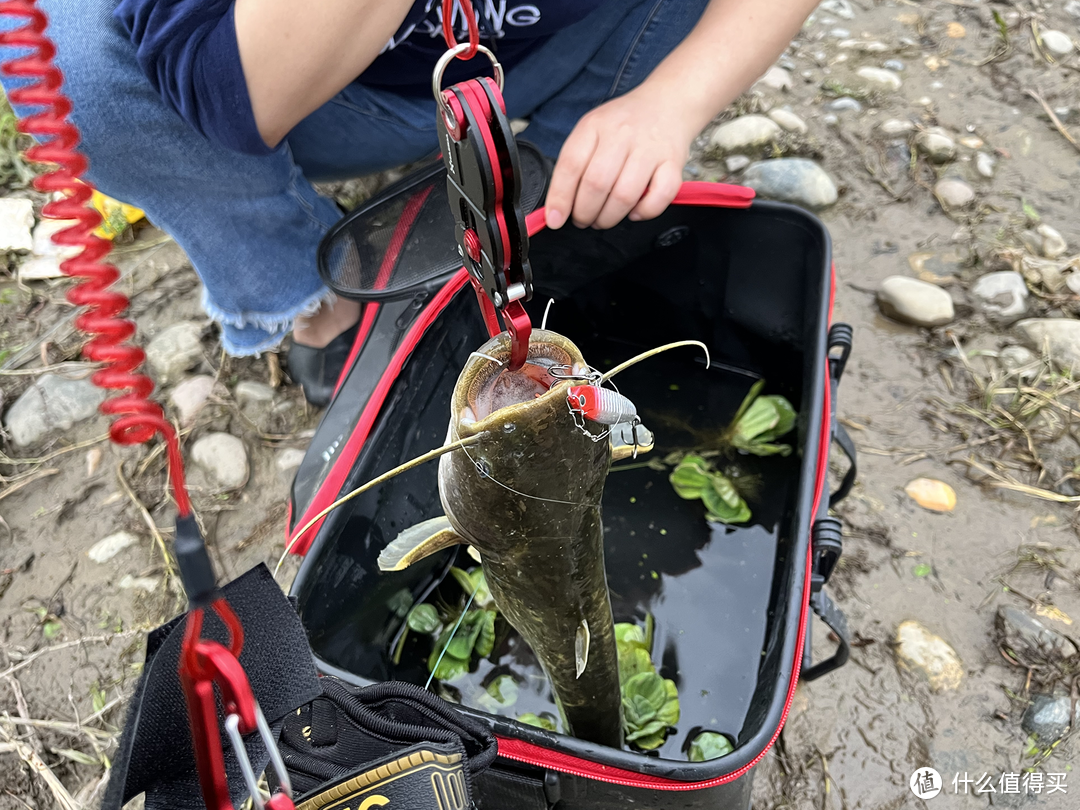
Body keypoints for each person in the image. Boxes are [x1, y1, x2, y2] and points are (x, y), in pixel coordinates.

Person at [1, 0, 818, 406]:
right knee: (71, 59)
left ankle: (555, 196)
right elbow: (239, 97)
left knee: (588, 191)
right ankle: (313, 297)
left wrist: (671, 103)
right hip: (327, 90)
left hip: (569, 43)